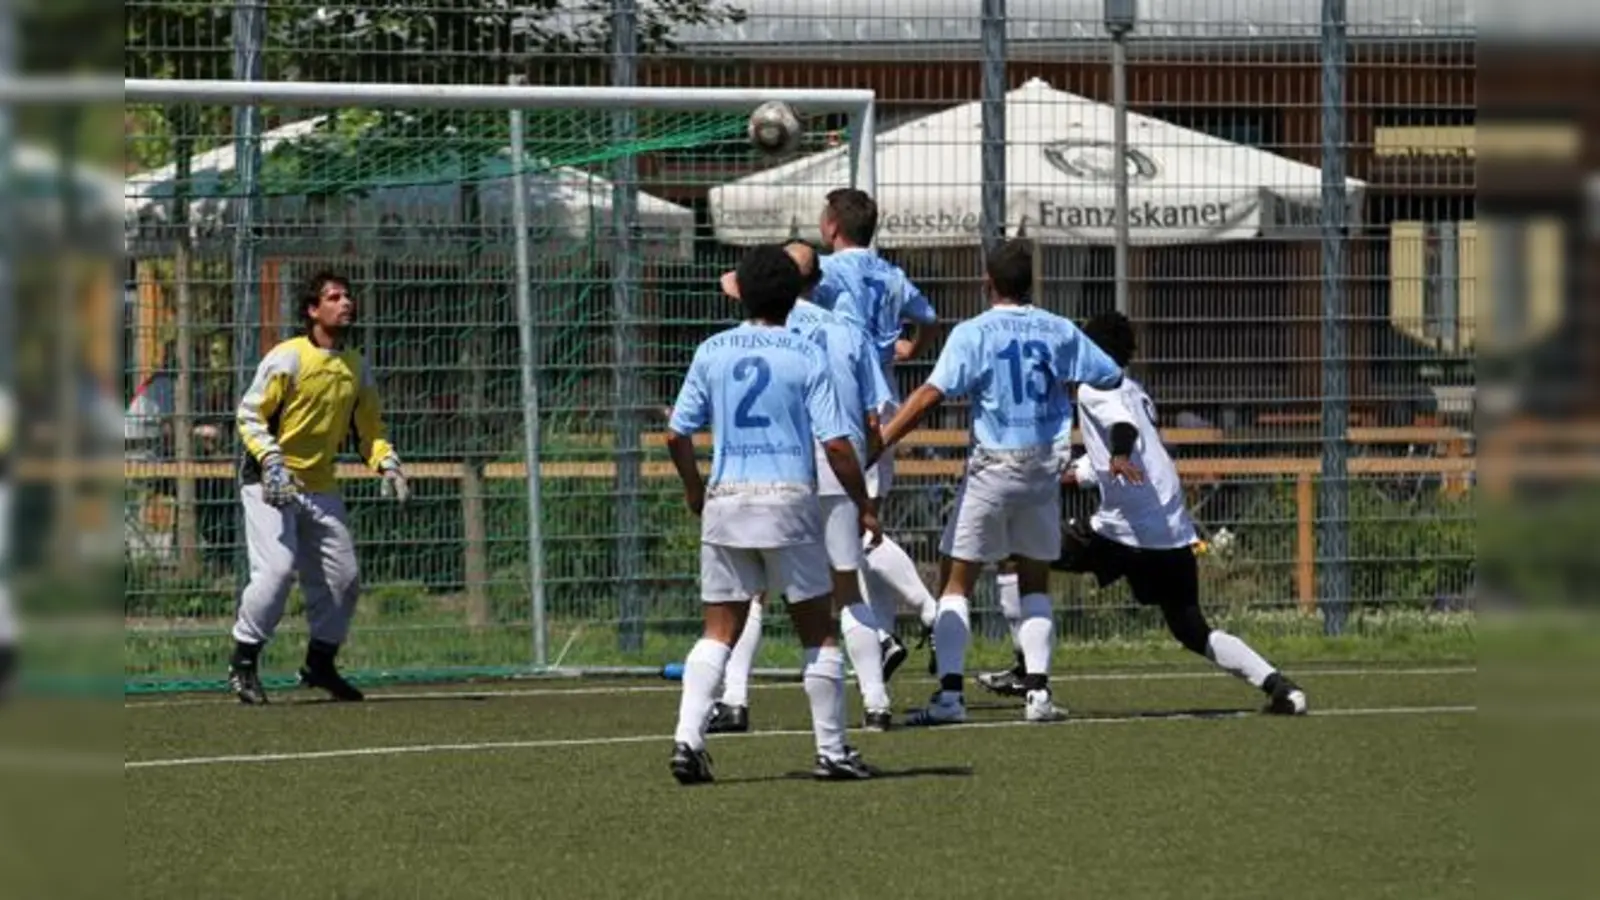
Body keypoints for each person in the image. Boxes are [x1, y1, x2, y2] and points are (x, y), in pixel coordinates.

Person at [979, 311, 1308, 716]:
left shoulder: (1094, 388)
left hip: (1125, 531)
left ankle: (1029, 676)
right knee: (1191, 629)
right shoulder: (1135, 390)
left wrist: (1116, 454)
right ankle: (1282, 688)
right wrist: (1078, 470)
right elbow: (1130, 455)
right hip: (1171, 530)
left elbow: (1123, 433)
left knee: (1016, 554)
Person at [870, 239, 1138, 726]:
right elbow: (1109, 375)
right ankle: (1037, 693)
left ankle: (950, 697)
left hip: (994, 465)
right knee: (1034, 577)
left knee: (957, 579)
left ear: (987, 282)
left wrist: (884, 437)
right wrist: (1062, 388)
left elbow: (932, 393)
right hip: (1042, 467)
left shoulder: (974, 332)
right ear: (1030, 283)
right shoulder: (1058, 329)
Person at [664, 244, 883, 784]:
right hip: (787, 500)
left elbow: (676, 433)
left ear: (740, 291)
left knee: (718, 629)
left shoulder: (712, 349)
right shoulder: (805, 352)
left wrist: (696, 489)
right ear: (794, 296)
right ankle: (832, 752)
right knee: (817, 630)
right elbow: (835, 445)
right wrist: (864, 502)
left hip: (727, 500)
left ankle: (687, 741)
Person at [707, 240, 899, 735]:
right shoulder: (845, 329)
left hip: (780, 467)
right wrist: (865, 482)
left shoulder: (753, 333)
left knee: (752, 594)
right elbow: (876, 416)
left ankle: (735, 699)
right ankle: (876, 702)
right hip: (839, 462)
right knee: (846, 587)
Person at [226, 271, 410, 705]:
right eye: (334, 297)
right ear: (313, 310)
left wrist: (387, 464)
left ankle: (321, 665)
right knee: (275, 571)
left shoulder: (356, 367)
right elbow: (249, 415)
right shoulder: (287, 358)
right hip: (269, 482)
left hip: (320, 485)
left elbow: (370, 431)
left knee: (343, 580)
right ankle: (243, 662)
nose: (345, 303)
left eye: (348, 296)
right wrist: (271, 461)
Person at [812, 188, 942, 664]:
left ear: (832, 227)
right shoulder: (892, 274)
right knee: (863, 523)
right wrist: (912, 347)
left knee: (859, 532)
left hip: (847, 403)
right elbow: (928, 317)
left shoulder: (826, 273)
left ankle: (930, 610)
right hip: (884, 397)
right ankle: (882, 642)